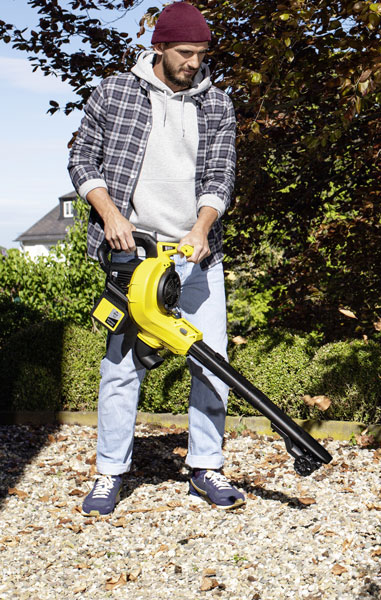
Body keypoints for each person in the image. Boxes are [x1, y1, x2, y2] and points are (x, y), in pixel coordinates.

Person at [68, 2, 243, 515]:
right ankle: (109, 474)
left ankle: (206, 468)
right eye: (184, 52)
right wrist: (110, 214)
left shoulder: (218, 105)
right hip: (135, 259)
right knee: (121, 370)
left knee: (212, 365)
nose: (193, 62)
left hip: (195, 258)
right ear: (160, 47)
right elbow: (82, 158)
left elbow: (221, 175)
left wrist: (202, 227)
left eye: (201, 53)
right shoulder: (115, 93)